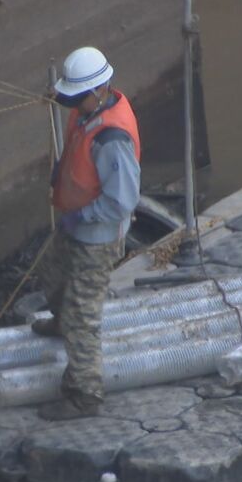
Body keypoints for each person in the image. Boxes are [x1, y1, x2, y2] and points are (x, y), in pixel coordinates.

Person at [33, 46, 141, 421]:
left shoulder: (113, 140)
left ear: (99, 90)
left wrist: (82, 218)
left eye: (77, 97)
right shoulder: (86, 111)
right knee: (51, 273)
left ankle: (84, 394)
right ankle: (62, 319)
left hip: (97, 234)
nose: (72, 103)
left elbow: (122, 201)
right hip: (75, 221)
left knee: (84, 315)